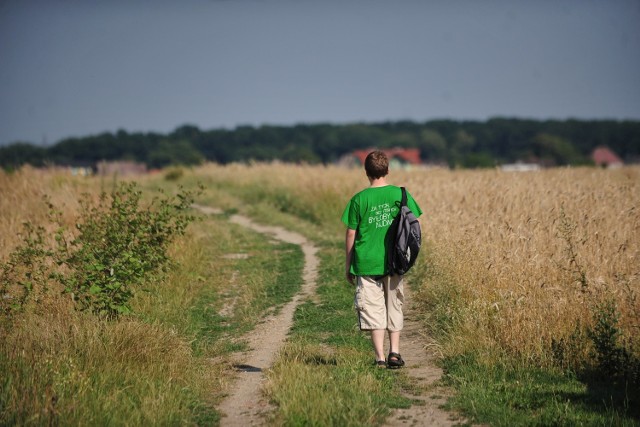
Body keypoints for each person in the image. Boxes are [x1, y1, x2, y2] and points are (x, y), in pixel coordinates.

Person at [341, 150, 423, 368]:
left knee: (373, 309)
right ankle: (394, 353)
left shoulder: (359, 199)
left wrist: (348, 265)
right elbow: (415, 225)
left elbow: (351, 233)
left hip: (367, 262)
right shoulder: (401, 194)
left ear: (366, 172)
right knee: (394, 305)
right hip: (395, 262)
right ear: (388, 170)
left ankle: (379, 358)